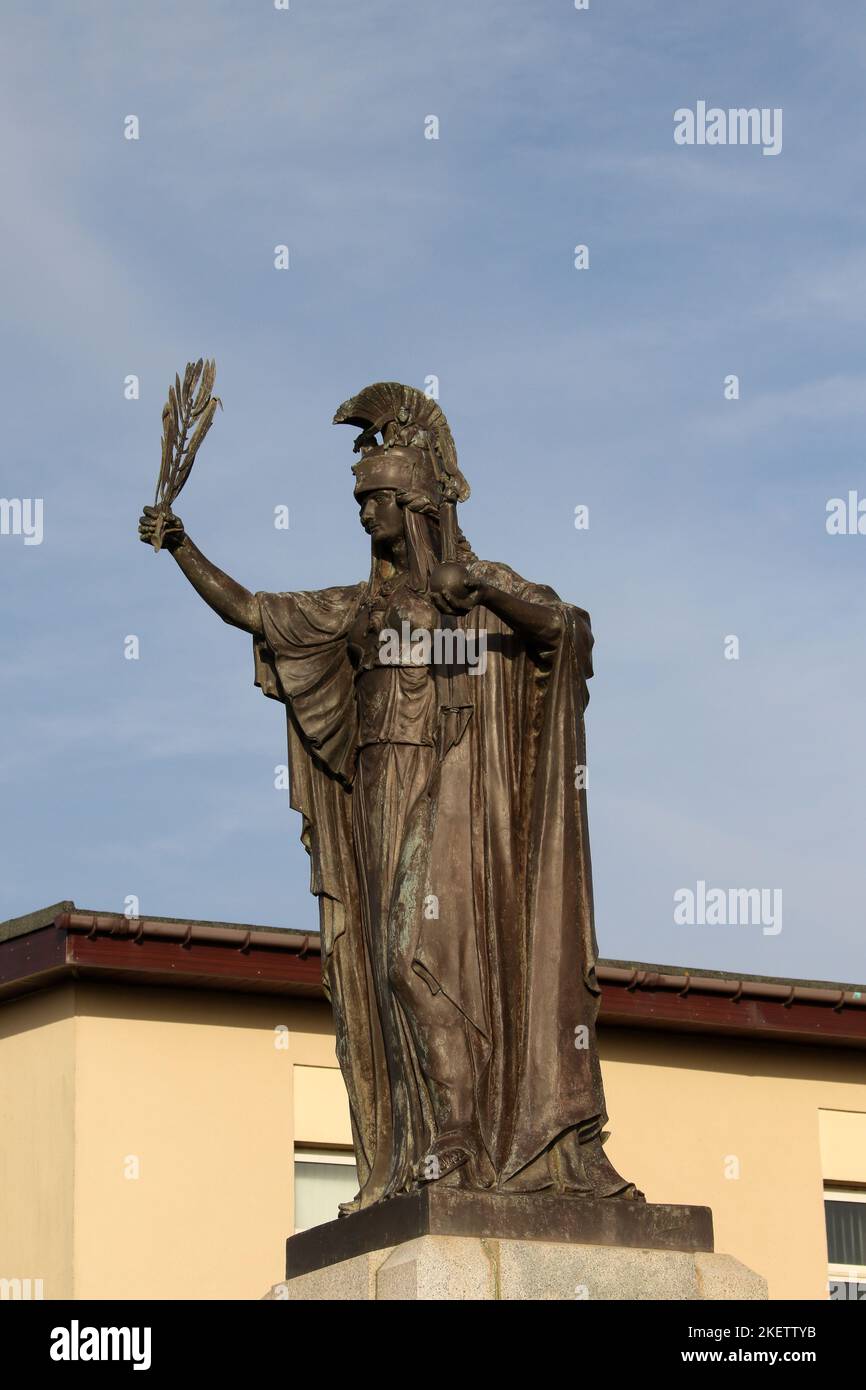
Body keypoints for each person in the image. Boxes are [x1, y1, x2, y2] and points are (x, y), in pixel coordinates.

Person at [139, 381, 640, 1209]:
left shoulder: (473, 589)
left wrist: (477, 583)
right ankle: (426, 1145)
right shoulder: (361, 608)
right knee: (383, 967)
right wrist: (182, 545)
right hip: (379, 794)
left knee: (418, 958)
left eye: (374, 499)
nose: (363, 514)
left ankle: (463, 1136)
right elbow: (254, 611)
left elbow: (564, 629)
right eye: (360, 499)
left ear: (411, 502)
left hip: (455, 800)